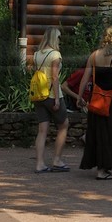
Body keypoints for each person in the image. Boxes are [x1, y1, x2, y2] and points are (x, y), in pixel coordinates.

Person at [77, 26, 112, 181]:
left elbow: (85, 77)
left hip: (96, 100)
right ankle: (103, 170)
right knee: (111, 133)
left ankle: (101, 167)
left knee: (99, 134)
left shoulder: (94, 55)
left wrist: (79, 97)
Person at [30, 27, 70, 173]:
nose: (60, 40)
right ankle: (57, 160)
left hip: (39, 95)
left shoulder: (36, 54)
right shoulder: (55, 54)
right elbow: (54, 77)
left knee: (42, 130)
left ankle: (39, 164)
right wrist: (57, 100)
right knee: (64, 124)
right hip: (52, 95)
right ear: (55, 38)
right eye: (59, 37)